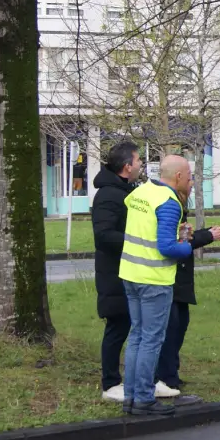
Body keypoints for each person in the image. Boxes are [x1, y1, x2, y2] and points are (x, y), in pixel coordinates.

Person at [119, 155, 195, 415]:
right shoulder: (169, 202)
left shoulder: (141, 191)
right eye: (189, 176)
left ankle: (130, 396)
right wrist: (186, 245)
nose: (190, 180)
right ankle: (143, 398)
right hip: (154, 279)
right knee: (152, 339)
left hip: (130, 273)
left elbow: (139, 218)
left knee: (137, 336)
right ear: (178, 177)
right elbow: (166, 247)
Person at [154, 209, 220, 403]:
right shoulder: (167, 206)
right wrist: (207, 235)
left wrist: (204, 233)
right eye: (188, 180)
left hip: (180, 281)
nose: (190, 185)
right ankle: (165, 378)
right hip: (168, 277)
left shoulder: (178, 207)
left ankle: (171, 373)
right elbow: (178, 242)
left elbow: (184, 237)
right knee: (170, 329)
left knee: (180, 324)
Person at [92, 141, 145, 403]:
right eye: (139, 161)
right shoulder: (109, 195)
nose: (141, 165)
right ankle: (110, 383)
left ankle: (132, 379)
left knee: (129, 324)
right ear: (127, 167)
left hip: (129, 269)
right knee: (117, 325)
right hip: (114, 273)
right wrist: (137, 239)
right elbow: (103, 236)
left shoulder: (125, 191)